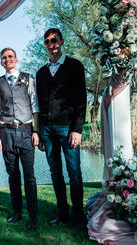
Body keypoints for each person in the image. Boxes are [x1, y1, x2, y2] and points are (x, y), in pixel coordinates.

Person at [36, 28, 87, 229]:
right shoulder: (41, 73)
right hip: (47, 131)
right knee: (55, 172)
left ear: (62, 41)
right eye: (47, 41)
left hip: (68, 128)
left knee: (74, 172)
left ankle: (78, 214)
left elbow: (81, 99)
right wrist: (39, 131)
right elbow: (38, 104)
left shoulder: (75, 66)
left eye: (54, 40)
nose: (51, 44)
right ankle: (62, 211)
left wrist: (78, 129)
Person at [0, 48, 39, 231]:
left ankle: (33, 216)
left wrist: (36, 131)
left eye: (10, 56)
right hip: (7, 132)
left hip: (27, 131)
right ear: (1, 62)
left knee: (29, 176)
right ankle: (17, 212)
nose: (7, 60)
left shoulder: (28, 77)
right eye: (4, 57)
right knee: (12, 175)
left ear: (16, 59)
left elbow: (35, 105)